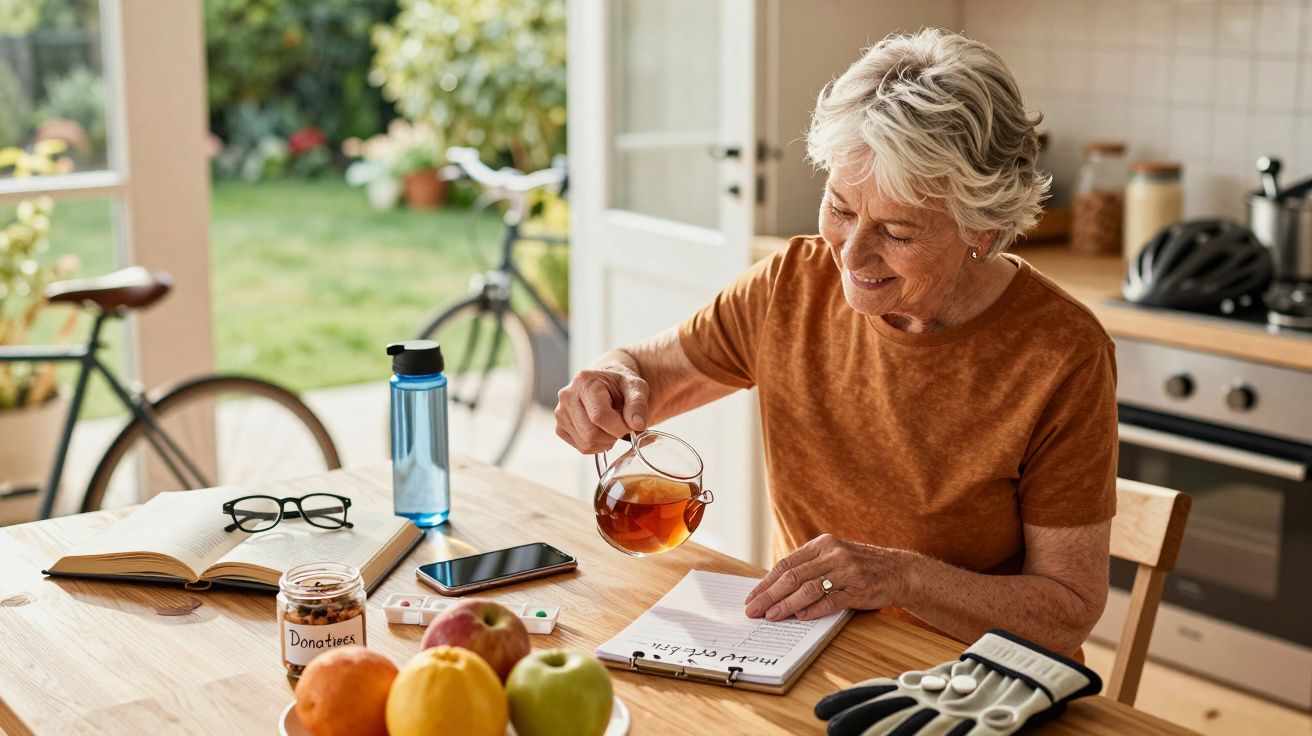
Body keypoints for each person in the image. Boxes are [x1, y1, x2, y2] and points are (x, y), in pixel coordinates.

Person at [554, 28, 1116, 656]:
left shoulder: (1062, 352)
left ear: (981, 229)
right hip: (798, 654)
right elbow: (644, 375)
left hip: (969, 685)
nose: (850, 254)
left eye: (896, 232)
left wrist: (901, 577)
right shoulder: (790, 286)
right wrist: (605, 382)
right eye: (840, 209)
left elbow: (1068, 612)